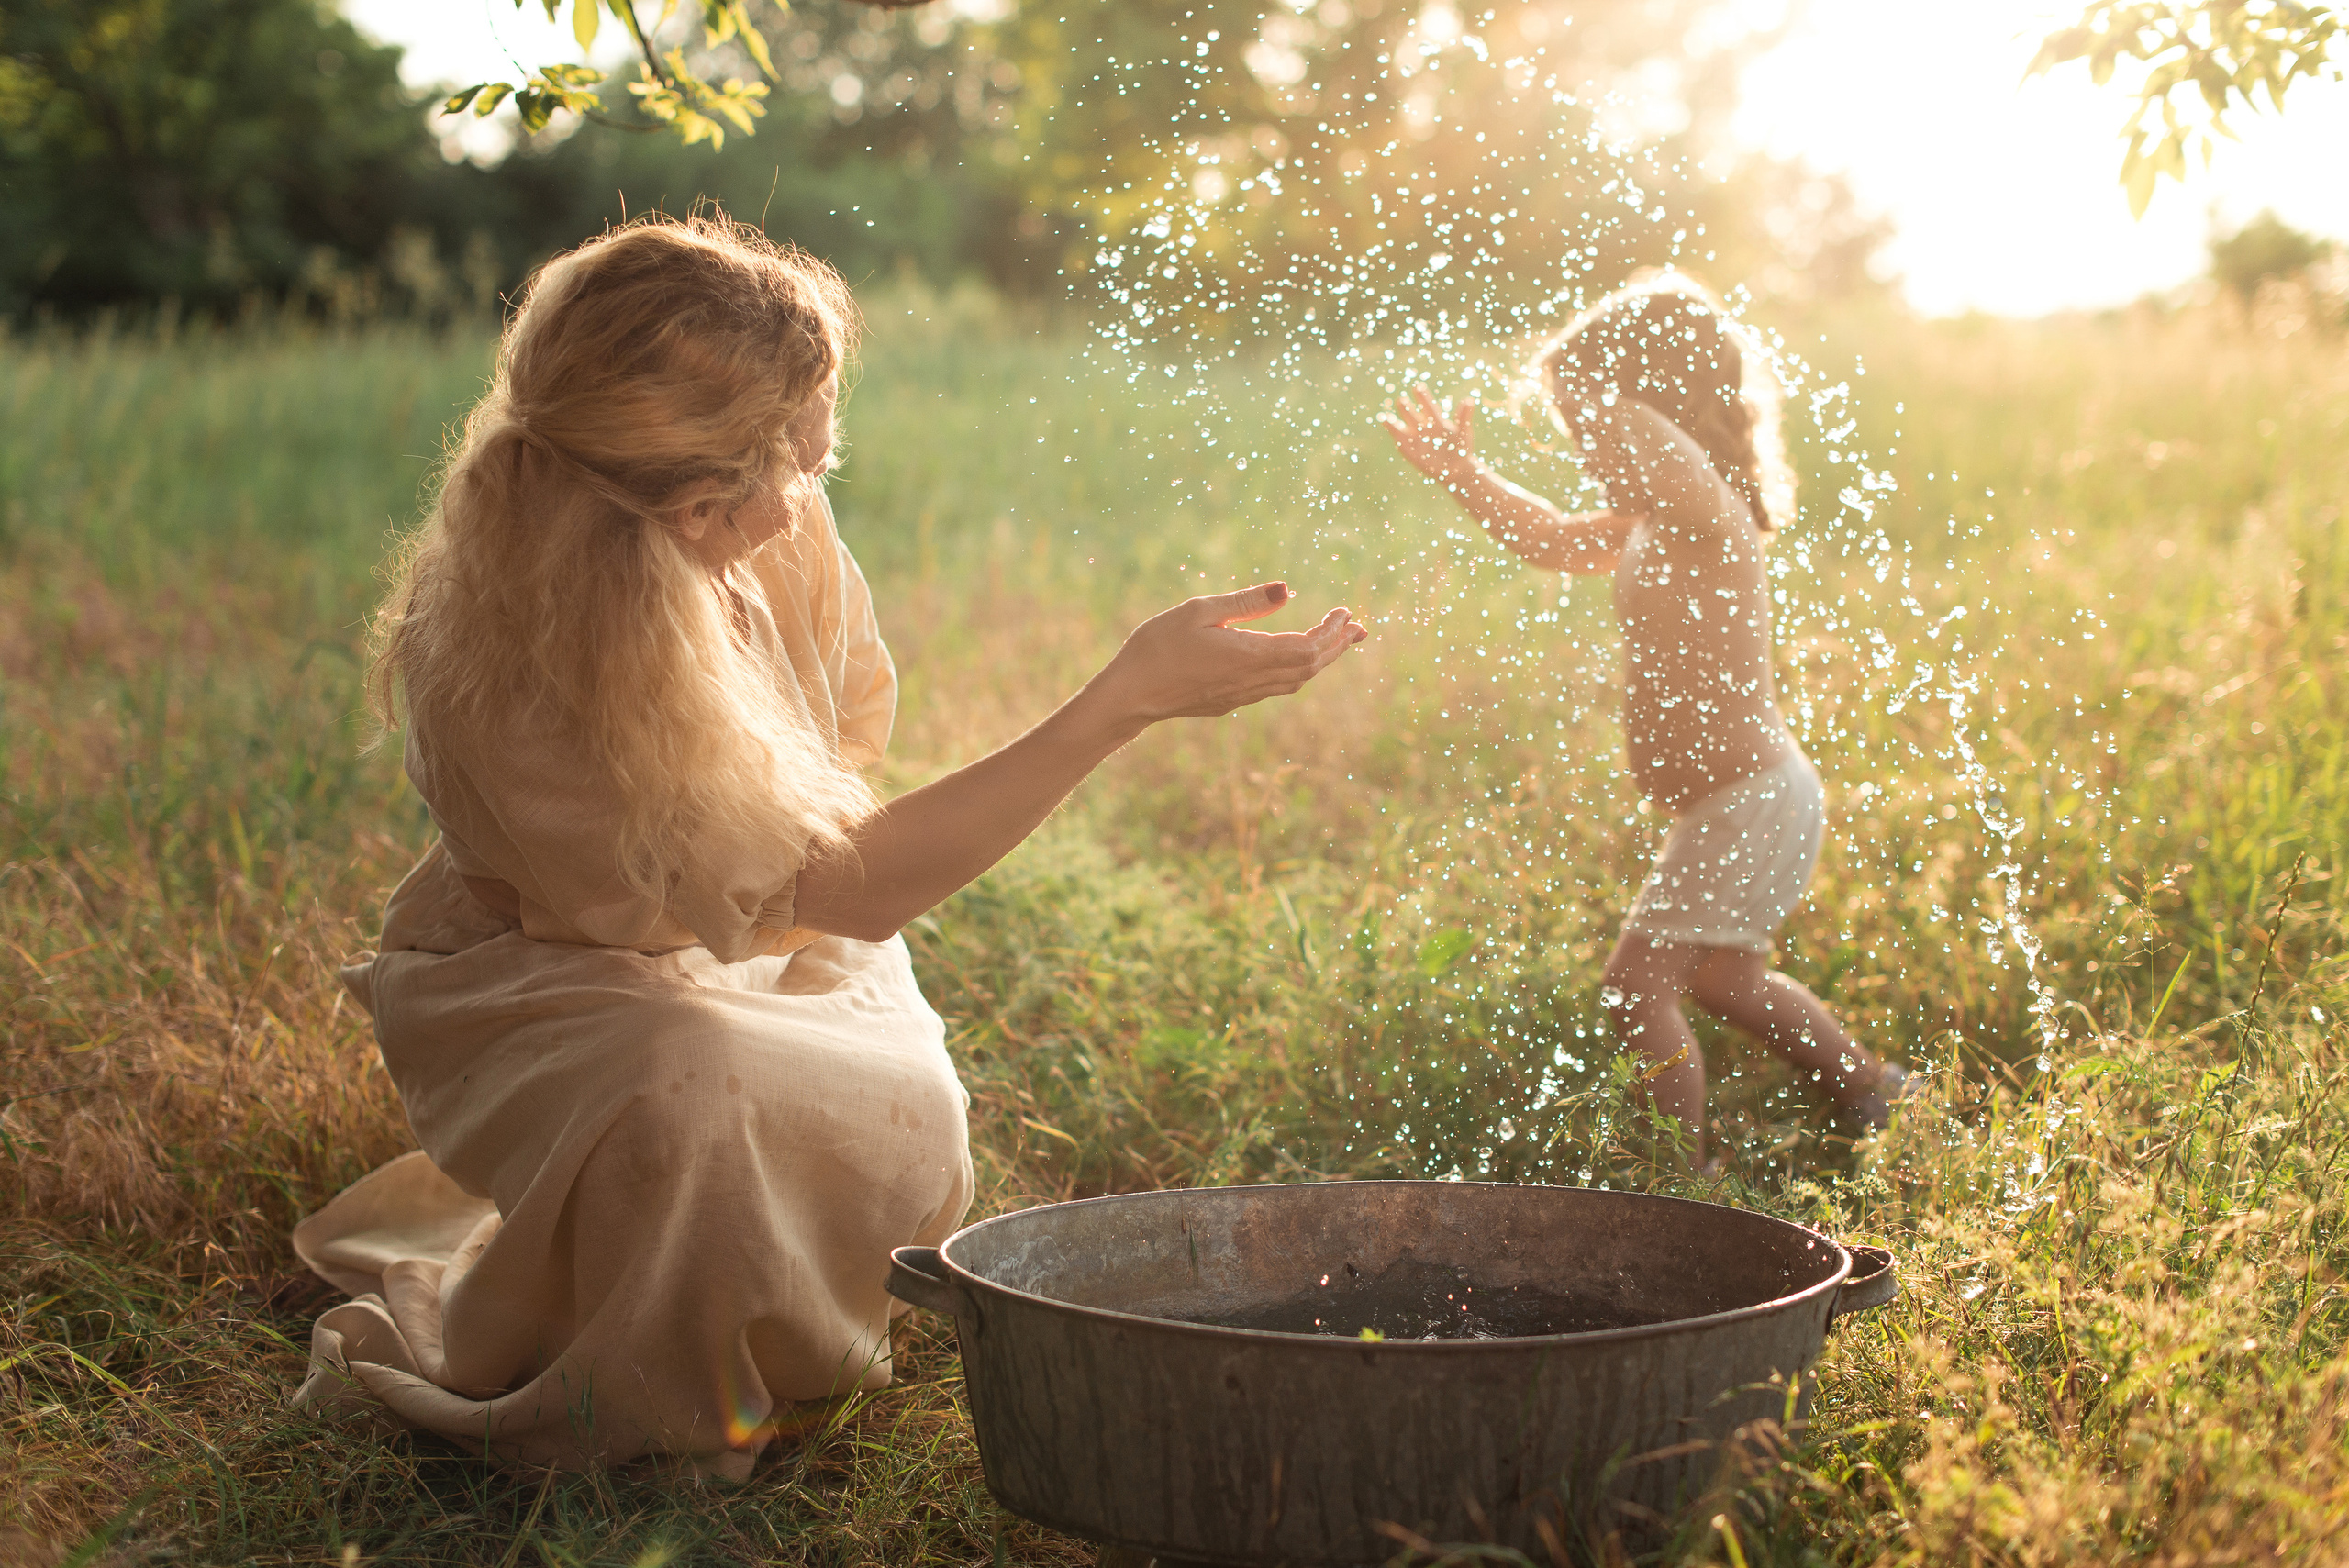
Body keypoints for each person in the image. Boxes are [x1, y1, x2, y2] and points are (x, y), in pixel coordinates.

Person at [292, 213, 1364, 1476]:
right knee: (690, 1080)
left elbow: (830, 811)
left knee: (909, 1119)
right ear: (684, 495)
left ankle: (754, 1337)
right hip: (555, 979)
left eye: (812, 448)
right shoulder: (504, 659)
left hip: (767, 934)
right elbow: (842, 891)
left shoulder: (769, 530)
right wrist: (1119, 701)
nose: (806, 491)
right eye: (779, 466)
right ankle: (643, 1412)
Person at [1381, 273, 1914, 1171]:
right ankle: (1872, 1087)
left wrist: (1603, 387)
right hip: (1735, 803)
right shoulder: (1655, 524)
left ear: (1653, 413)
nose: (1587, 452)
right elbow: (1548, 537)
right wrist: (1463, 473)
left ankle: (1683, 1178)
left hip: (1751, 797)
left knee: (1636, 988)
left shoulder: (1708, 513)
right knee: (1721, 978)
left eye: (1593, 429)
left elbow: (1650, 443)